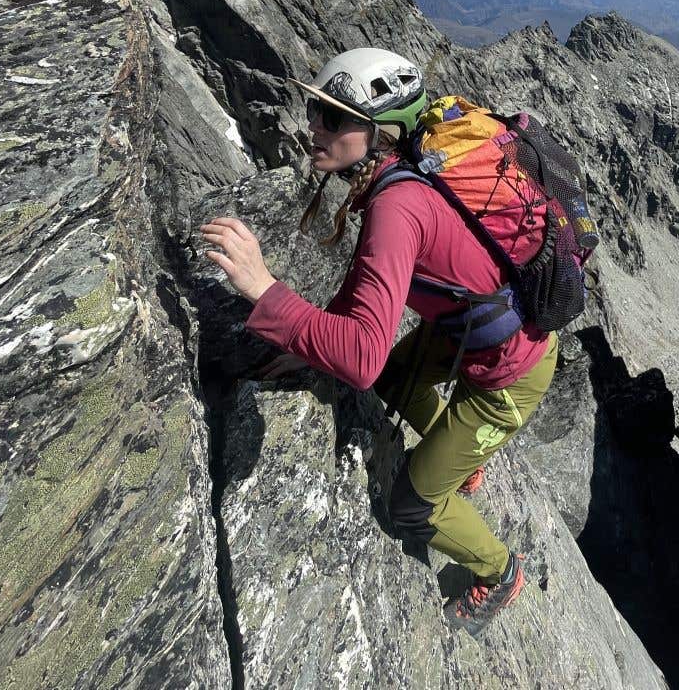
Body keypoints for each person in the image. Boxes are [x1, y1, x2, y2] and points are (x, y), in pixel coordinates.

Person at [200, 48, 558, 638]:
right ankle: (458, 456)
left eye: (333, 117)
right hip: (465, 333)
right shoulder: (404, 180)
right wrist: (304, 342)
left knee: (412, 506)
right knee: (397, 379)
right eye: (316, 108)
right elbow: (361, 301)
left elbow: (360, 361)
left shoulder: (397, 205)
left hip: (509, 377)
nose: (313, 125)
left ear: (379, 132)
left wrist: (265, 290)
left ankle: (499, 572)